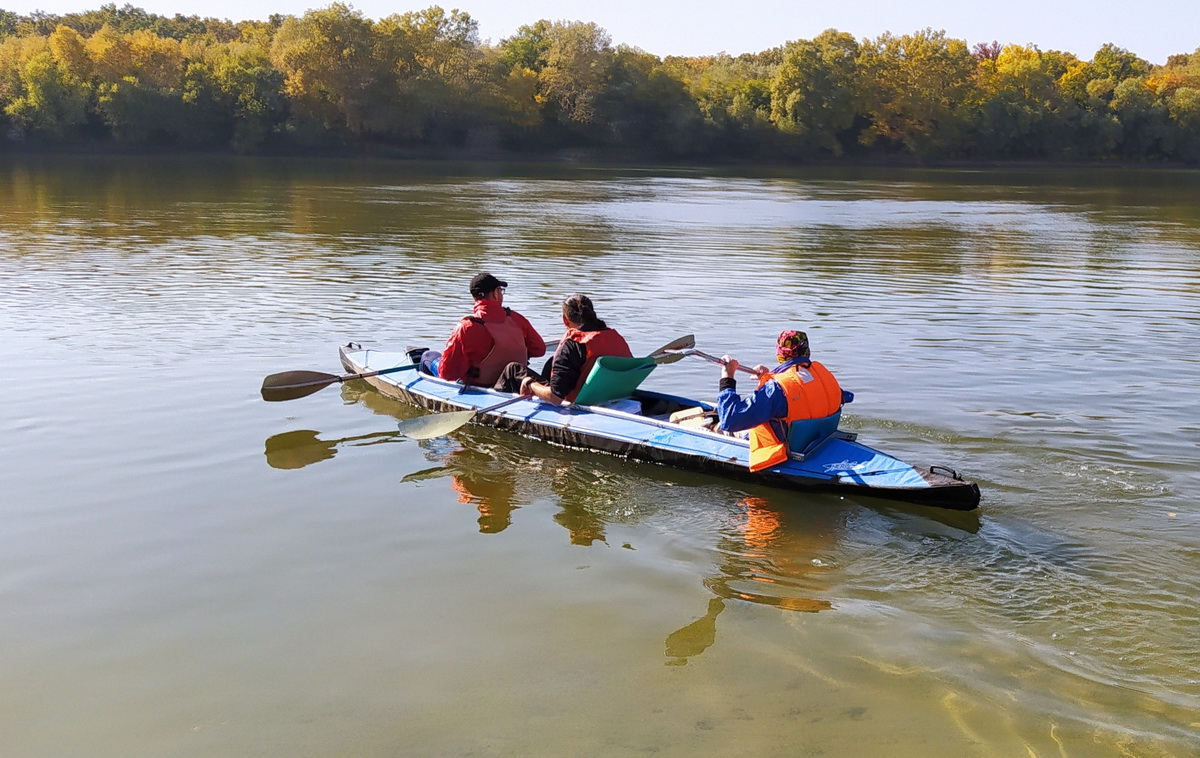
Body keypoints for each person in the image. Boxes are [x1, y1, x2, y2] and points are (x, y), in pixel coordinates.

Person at [715, 330, 850, 472]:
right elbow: (844, 396)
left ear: (779, 354)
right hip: (819, 441)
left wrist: (727, 377)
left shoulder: (775, 389)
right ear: (807, 350)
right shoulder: (823, 374)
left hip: (784, 449)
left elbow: (729, 421)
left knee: (719, 426)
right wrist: (771, 376)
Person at [494, 293, 632, 405]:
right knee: (550, 362)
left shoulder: (572, 345)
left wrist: (530, 384)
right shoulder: (614, 337)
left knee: (513, 369)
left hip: (575, 402)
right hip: (608, 394)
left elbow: (556, 398)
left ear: (565, 320)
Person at [436, 272, 546, 387]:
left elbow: (446, 374)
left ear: (474, 297)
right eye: (500, 290)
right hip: (515, 384)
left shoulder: (465, 327)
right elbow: (539, 350)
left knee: (429, 358)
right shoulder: (516, 319)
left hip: (481, 387)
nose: (501, 294)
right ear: (495, 294)